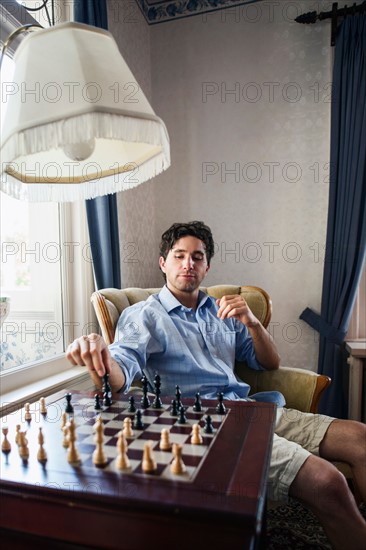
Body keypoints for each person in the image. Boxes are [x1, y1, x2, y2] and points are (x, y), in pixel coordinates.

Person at [67, 221, 366, 550]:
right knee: (328, 482)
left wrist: (252, 322)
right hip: (208, 425)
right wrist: (99, 356)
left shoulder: (223, 310)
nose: (188, 264)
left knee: (360, 438)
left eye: (197, 257)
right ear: (163, 262)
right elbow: (121, 371)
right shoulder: (144, 316)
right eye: (179, 255)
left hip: (255, 409)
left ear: (207, 266)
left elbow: (270, 362)